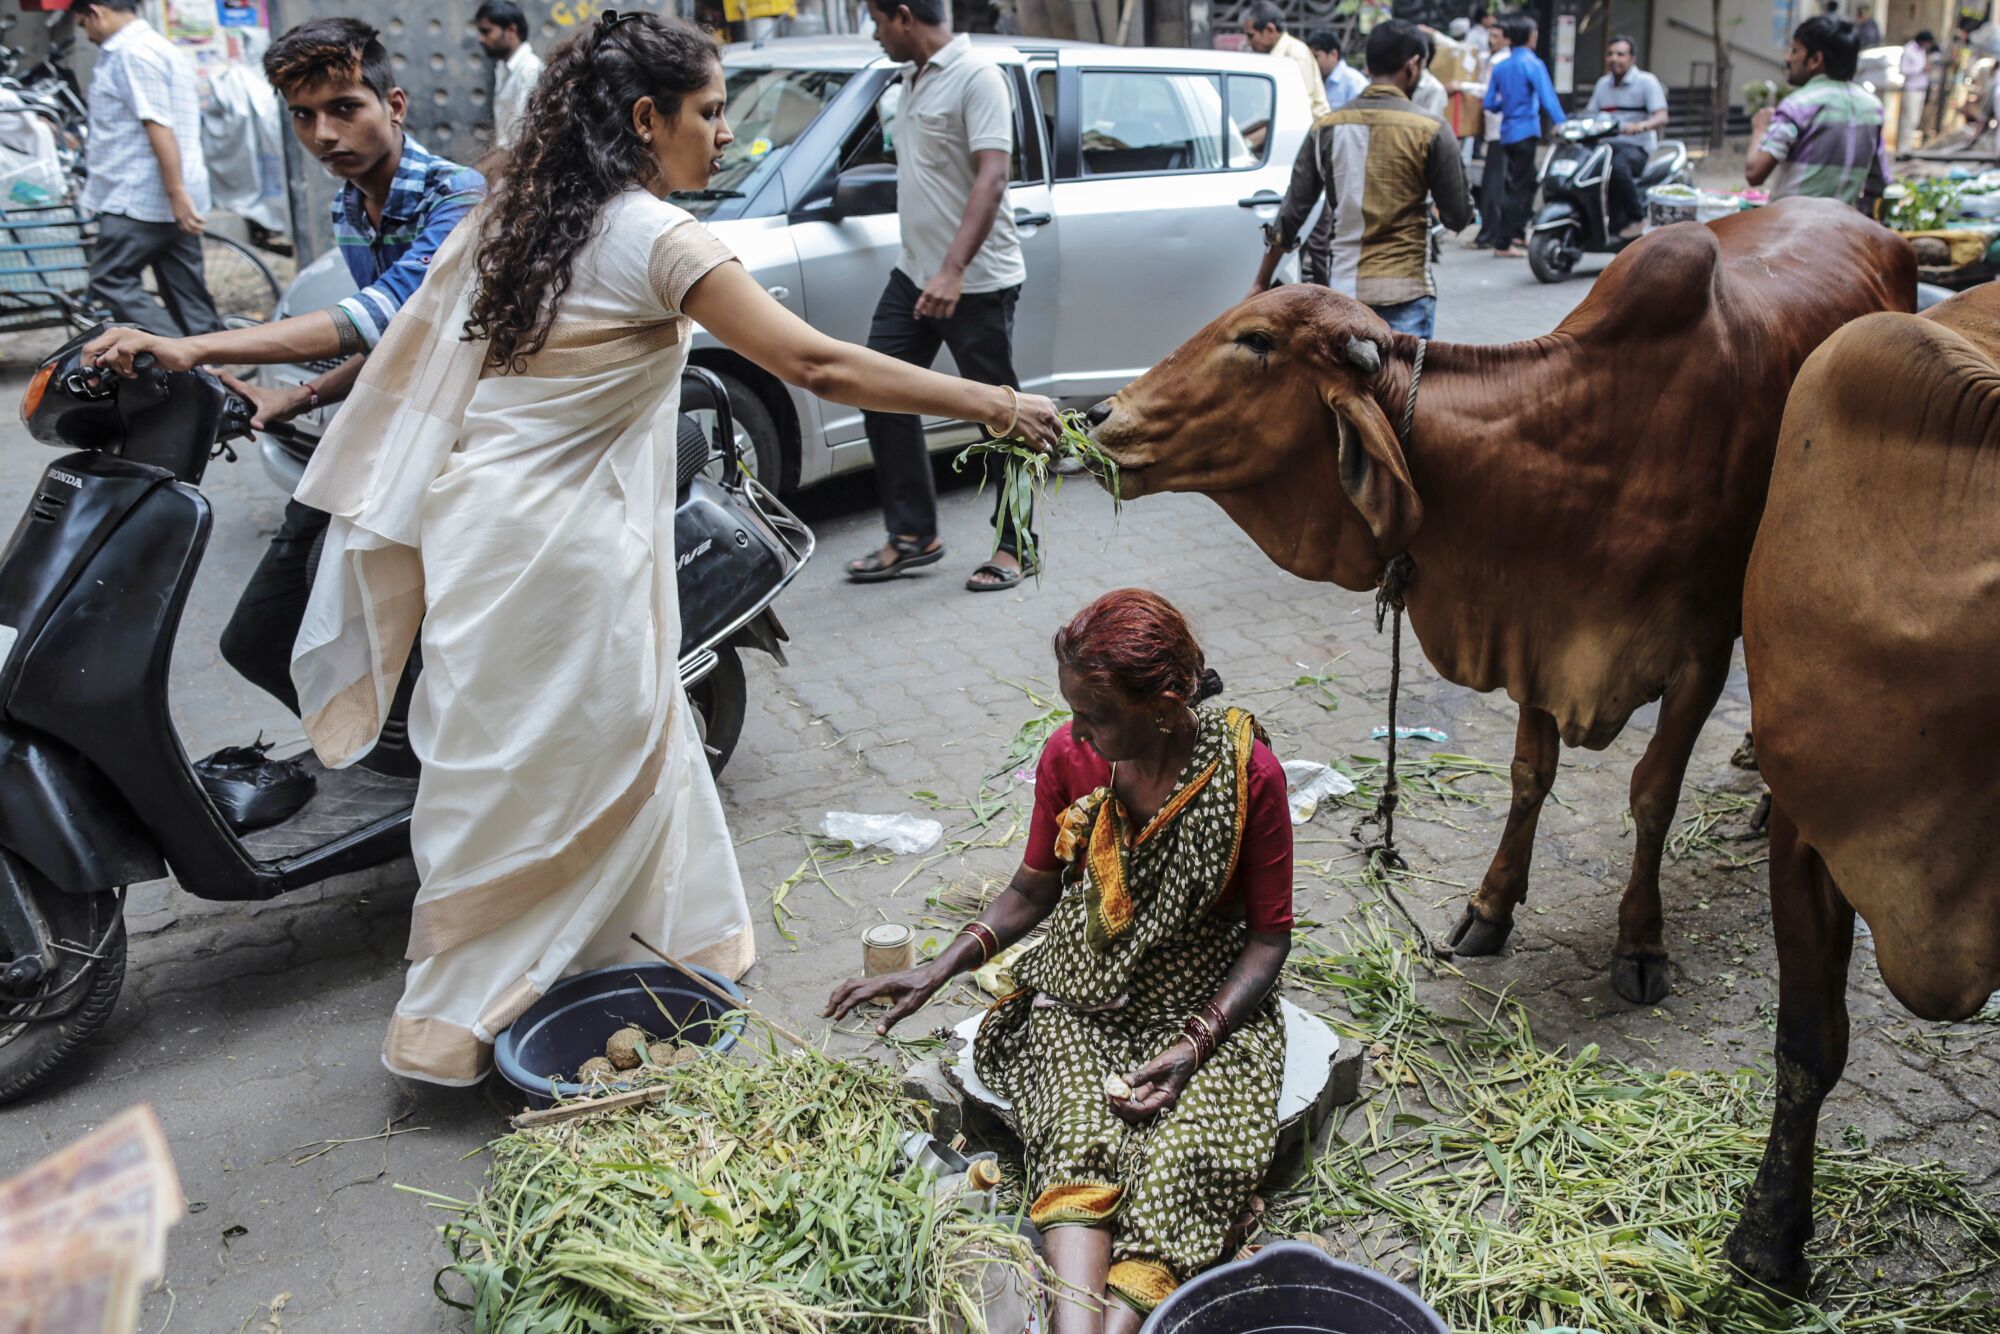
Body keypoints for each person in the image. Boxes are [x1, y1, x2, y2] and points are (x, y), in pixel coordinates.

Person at [106, 13, 1060, 1083]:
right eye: (708, 114)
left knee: (509, 780)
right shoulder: (659, 237)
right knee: (595, 761)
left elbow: (408, 348)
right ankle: (550, 991)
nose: (725, 137)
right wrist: (990, 400)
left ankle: (517, 995)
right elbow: (817, 366)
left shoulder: (518, 215)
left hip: (477, 535)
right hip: (568, 556)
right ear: (647, 119)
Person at [826, 589, 1293, 1330]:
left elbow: (1270, 939)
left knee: (1189, 1158)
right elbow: (1032, 888)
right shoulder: (1072, 758)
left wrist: (1193, 1043)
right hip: (1087, 993)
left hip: (1203, 1006)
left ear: (1167, 704)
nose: (1075, 729)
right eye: (1074, 710)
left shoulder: (1247, 774)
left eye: (1096, 715)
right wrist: (937, 968)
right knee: (1077, 1131)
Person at [87, 19, 485, 768]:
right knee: (259, 636)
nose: (323, 133)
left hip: (456, 443)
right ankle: (394, 767)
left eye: (344, 108)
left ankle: (438, 773)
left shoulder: (456, 196)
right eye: (303, 116)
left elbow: (377, 316)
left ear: (393, 105)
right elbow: (397, 347)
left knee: (378, 619)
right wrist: (288, 402)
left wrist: (195, 343)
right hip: (383, 429)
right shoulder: (350, 204)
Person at [844, 0, 1043, 592]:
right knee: (878, 389)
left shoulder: (978, 76)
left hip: (976, 282)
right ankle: (913, 536)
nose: (875, 35)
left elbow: (993, 175)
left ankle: (1018, 544)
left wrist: (954, 270)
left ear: (904, 16)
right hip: (915, 274)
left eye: (878, 23)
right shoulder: (909, 78)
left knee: (1000, 418)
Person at [1251, 20, 1471, 338]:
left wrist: (1261, 281)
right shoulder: (1431, 129)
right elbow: (1458, 216)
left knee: (1346, 389)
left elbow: (1292, 213)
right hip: (1407, 293)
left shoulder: (1326, 128)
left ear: (1368, 64)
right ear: (1414, 65)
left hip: (1343, 296)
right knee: (1404, 389)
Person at [73, 0, 219, 339]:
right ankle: (215, 372)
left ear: (96, 12)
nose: (87, 34)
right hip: (173, 194)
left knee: (110, 278)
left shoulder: (132, 53)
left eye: (83, 24)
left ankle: (177, 357)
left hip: (140, 196)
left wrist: (175, 193)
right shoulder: (159, 47)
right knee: (187, 292)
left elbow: (159, 126)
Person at [1746, 15, 1886, 208]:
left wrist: (1760, 129)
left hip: (1791, 227)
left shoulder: (1799, 104)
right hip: (1844, 227)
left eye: (1794, 50)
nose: (1788, 58)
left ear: (1815, 60)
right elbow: (1878, 182)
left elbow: (1754, 174)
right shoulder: (1873, 108)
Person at [1484, 14, 1564, 257]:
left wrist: (1506, 106)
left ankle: (1516, 233)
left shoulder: (1501, 66)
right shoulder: (1532, 64)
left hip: (1507, 132)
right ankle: (1503, 243)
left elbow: (1489, 103)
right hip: (1526, 132)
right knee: (1518, 187)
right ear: (1531, 36)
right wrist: (1562, 123)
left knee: (1524, 182)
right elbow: (1547, 98)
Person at [1584, 34, 1668, 238]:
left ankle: (1638, 218)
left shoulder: (1647, 82)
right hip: (1606, 147)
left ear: (1632, 59)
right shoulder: (1602, 85)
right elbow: (1590, 114)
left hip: (1636, 147)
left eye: (1620, 54)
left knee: (1618, 168)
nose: (1614, 59)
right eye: (1610, 54)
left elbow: (1661, 116)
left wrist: (1641, 126)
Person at [474, 0, 543, 176]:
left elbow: (519, 142)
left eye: (486, 31)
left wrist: (477, 173)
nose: (480, 39)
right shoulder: (503, 69)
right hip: (506, 170)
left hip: (520, 173)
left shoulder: (530, 71)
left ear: (511, 31)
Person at [1242, 1, 1331, 121]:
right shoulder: (1273, 55)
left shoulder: (1295, 54)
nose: (1248, 42)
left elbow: (1299, 106)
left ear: (1270, 30)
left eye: (1251, 36)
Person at [1308, 30, 1367, 112]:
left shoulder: (1354, 82)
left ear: (1333, 54)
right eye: (1309, 58)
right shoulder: (1312, 80)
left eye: (1316, 57)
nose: (1312, 63)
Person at [1898, 30, 1938, 151]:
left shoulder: (1922, 51)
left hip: (1921, 89)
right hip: (1911, 89)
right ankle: (1902, 148)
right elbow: (1904, 70)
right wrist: (1921, 68)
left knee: (1914, 120)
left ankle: (1908, 147)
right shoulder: (1909, 50)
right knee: (1908, 120)